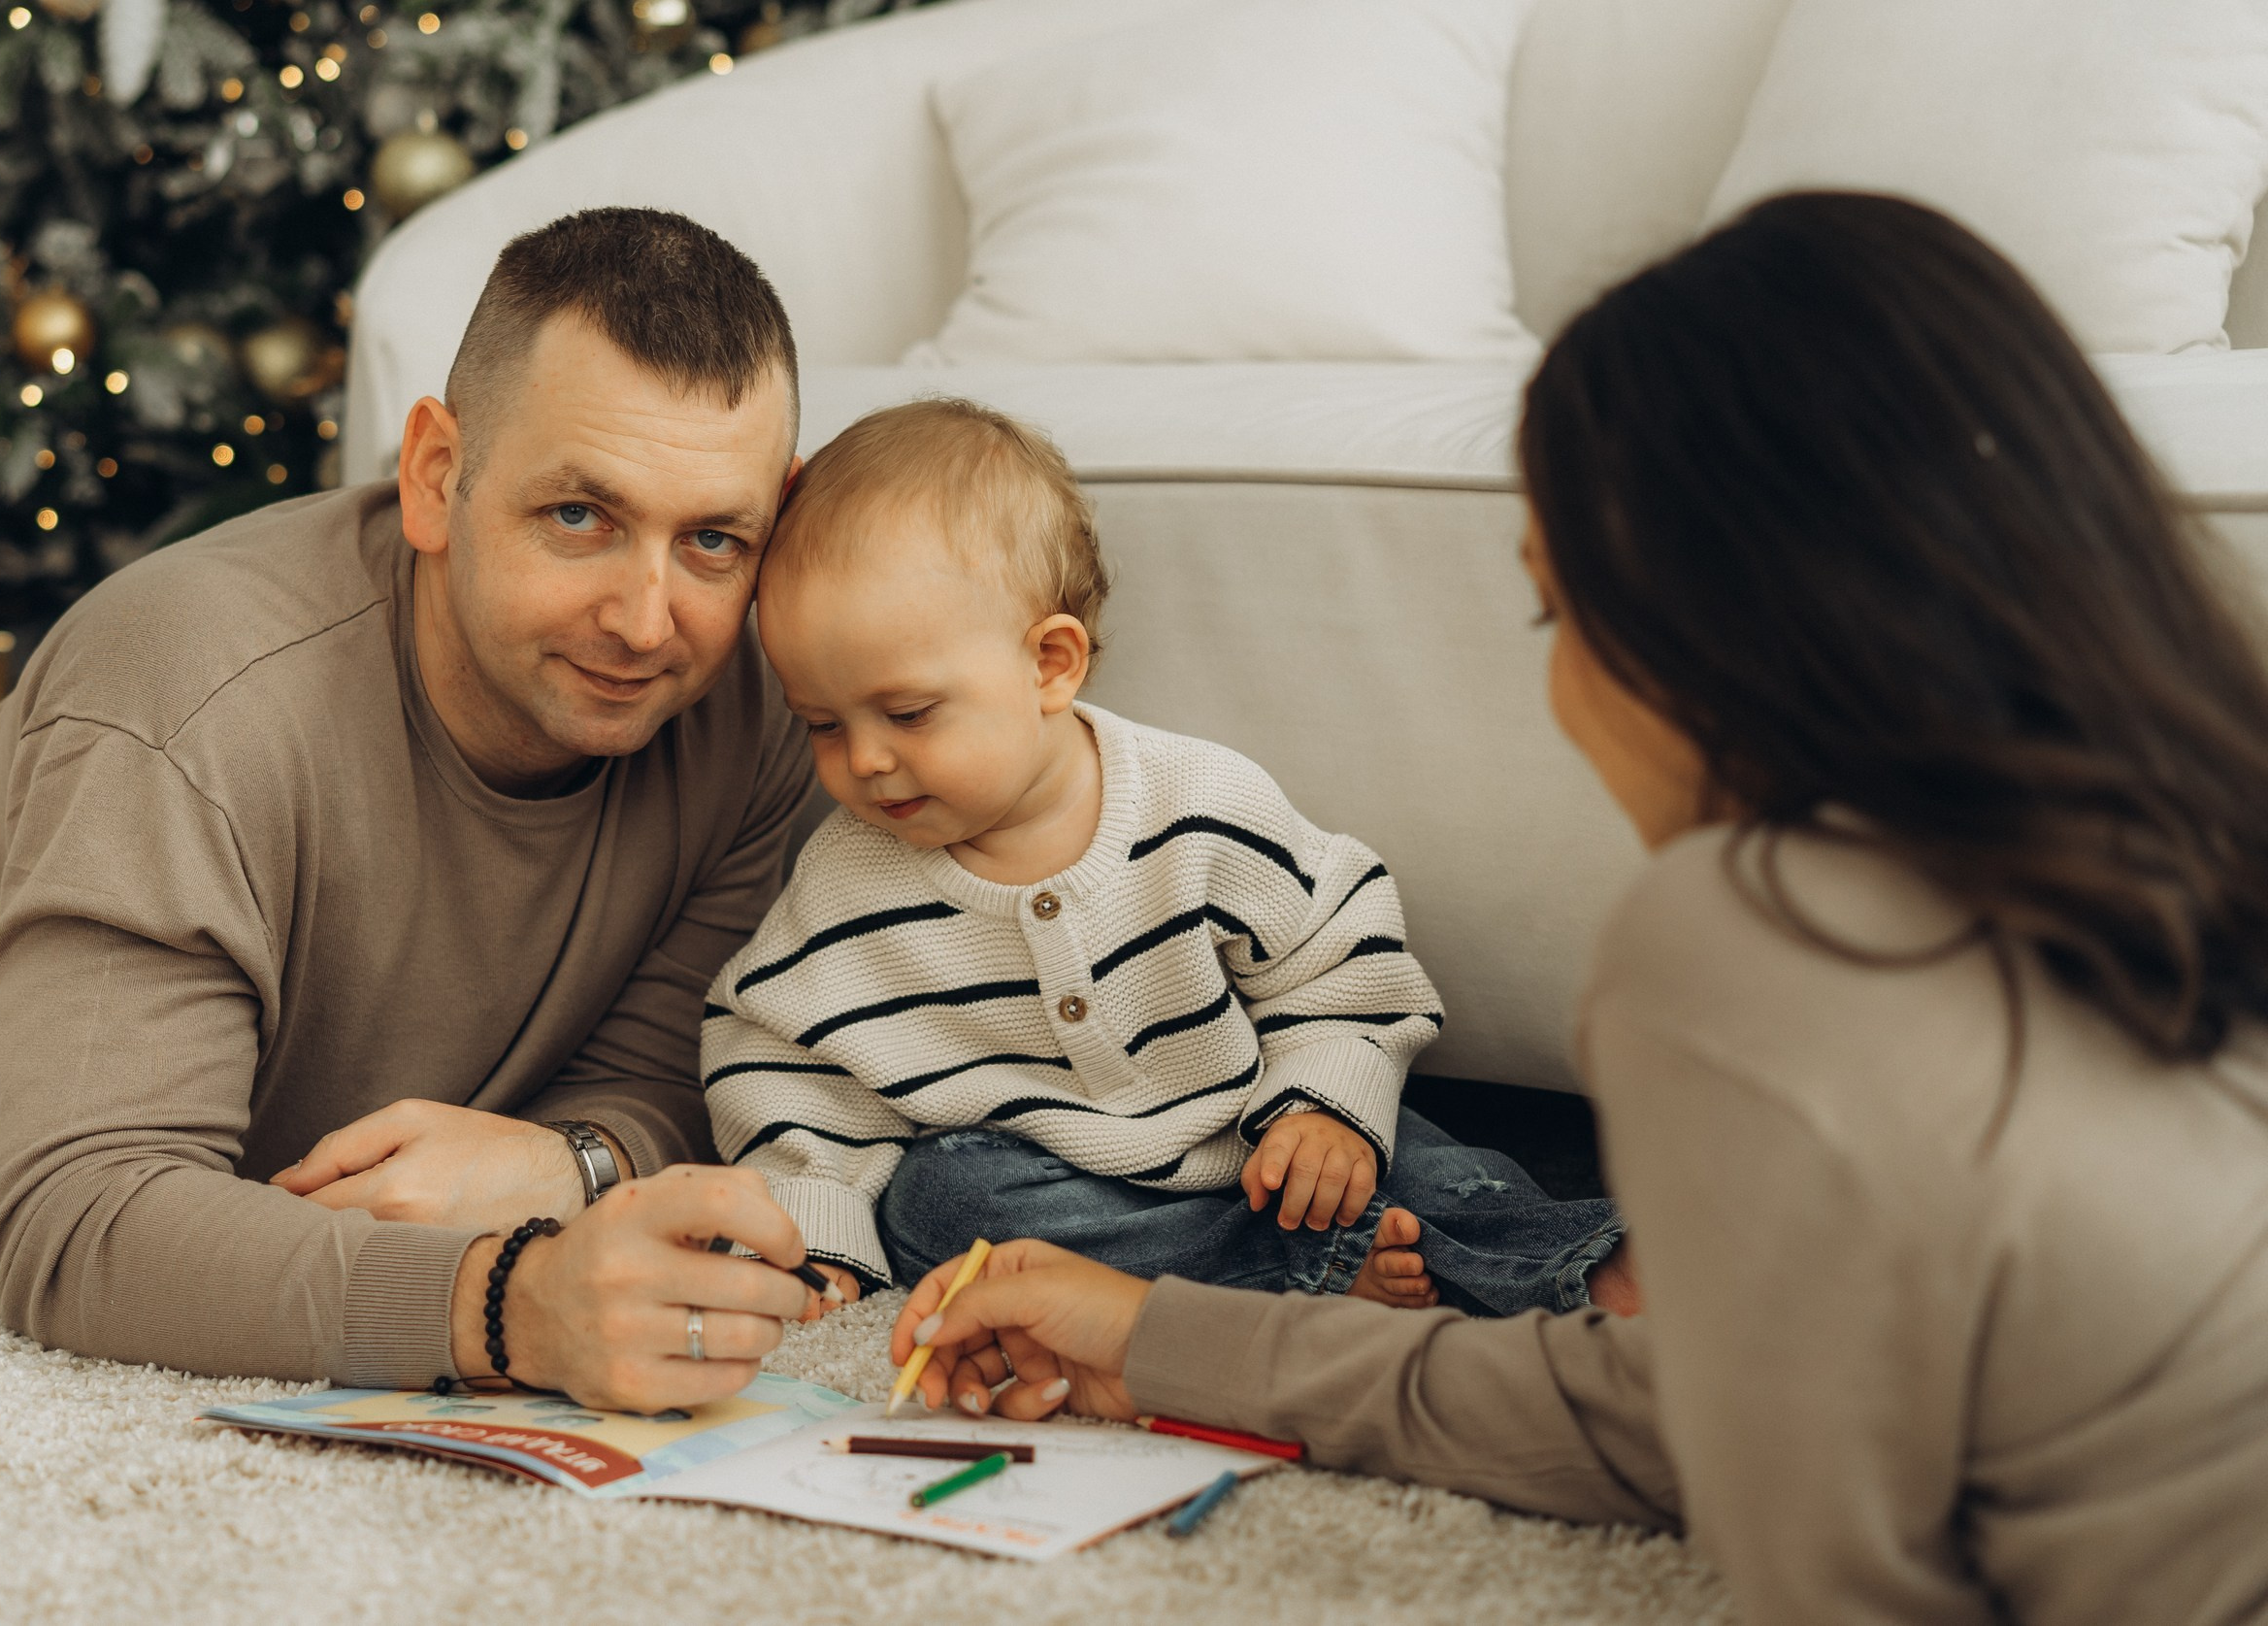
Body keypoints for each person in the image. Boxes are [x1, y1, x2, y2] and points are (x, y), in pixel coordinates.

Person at [882, 193, 2268, 1625]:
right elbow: (1690, 1406)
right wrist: (1163, 1339)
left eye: (1558, 614)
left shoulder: (1746, 931)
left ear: (1709, 617)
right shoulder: (2197, 822)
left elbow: (1836, 1568)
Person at [0, 207, 830, 1412]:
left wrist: (570, 1160)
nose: (649, 622)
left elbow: (672, 1071)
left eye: (711, 537)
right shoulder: (182, 695)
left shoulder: (758, 703)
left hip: (9, 813)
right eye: (579, 516)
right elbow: (80, 1226)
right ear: (437, 477)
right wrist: (510, 1302)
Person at [701, 398, 1630, 1318]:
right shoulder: (846, 882)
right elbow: (779, 1058)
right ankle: (1306, 1277)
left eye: (907, 713)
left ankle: (1593, 1269)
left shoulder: (1198, 804)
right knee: (938, 1204)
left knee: (1441, 1167)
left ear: (1050, 665)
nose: (863, 760)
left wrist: (1325, 1101)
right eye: (821, 723)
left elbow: (1339, 955)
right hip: (1063, 1189)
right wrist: (813, 1222)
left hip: (1258, 1128)